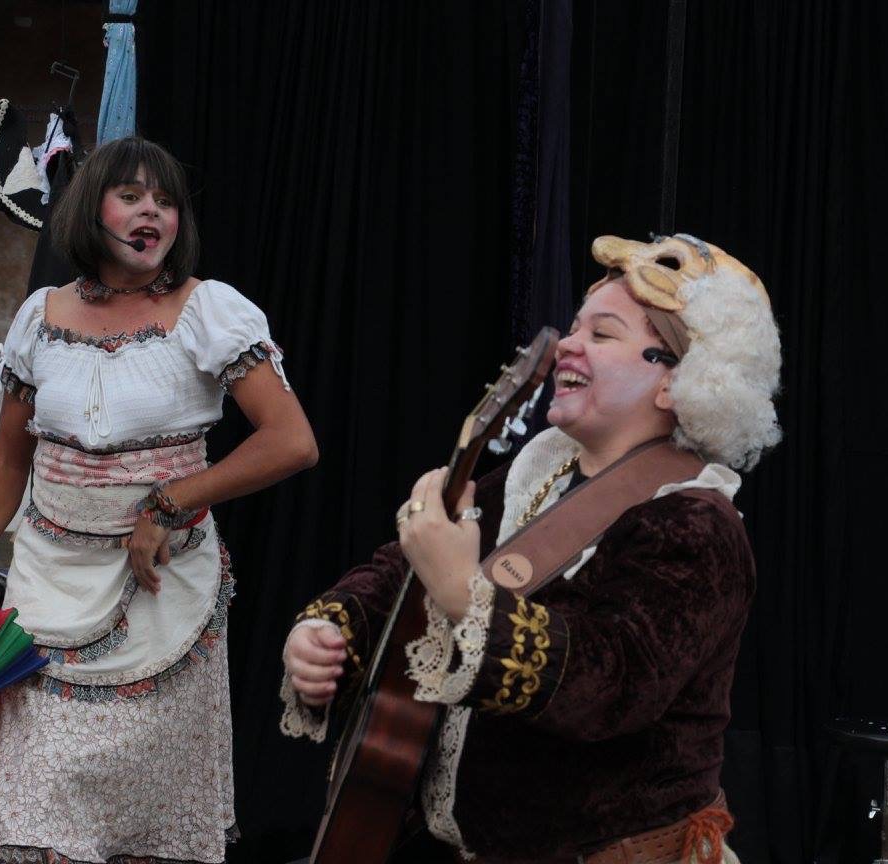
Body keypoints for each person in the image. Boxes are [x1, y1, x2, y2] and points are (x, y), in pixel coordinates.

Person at [280, 233, 781, 863]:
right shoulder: (535, 473)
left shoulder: (695, 525)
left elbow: (611, 685)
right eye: (574, 328)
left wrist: (464, 596)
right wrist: (329, 632)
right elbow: (397, 574)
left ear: (675, 383)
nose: (566, 344)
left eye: (602, 334)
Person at [0, 136, 318, 864]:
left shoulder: (208, 310)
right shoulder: (40, 316)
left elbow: (291, 441)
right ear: (90, 210)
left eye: (165, 202)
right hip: (46, 584)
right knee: (36, 817)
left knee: (143, 825)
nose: (151, 213)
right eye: (130, 196)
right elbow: (8, 460)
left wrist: (168, 504)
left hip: (162, 591)